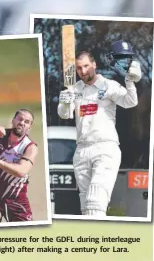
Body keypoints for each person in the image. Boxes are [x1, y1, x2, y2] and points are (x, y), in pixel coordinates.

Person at [58, 48, 141, 217]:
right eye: (79, 68)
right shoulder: (73, 89)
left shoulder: (107, 85)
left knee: (95, 203)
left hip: (105, 148)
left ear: (94, 64)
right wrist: (65, 103)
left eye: (86, 66)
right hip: (81, 151)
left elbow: (130, 102)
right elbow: (65, 115)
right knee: (86, 208)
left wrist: (130, 82)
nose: (83, 71)